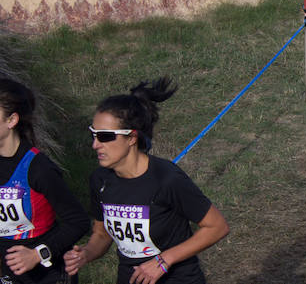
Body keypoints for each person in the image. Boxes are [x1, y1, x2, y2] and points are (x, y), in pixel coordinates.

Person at [63, 78, 229, 284]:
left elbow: (217, 226)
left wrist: (163, 260)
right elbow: (102, 234)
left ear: (131, 138)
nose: (95, 145)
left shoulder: (166, 179)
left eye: (105, 136)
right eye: (93, 135)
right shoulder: (100, 180)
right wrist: (85, 254)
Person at [0, 77, 89, 284]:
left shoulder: (39, 168)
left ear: (11, 121)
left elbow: (78, 222)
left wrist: (37, 254)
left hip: (48, 273)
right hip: (10, 274)